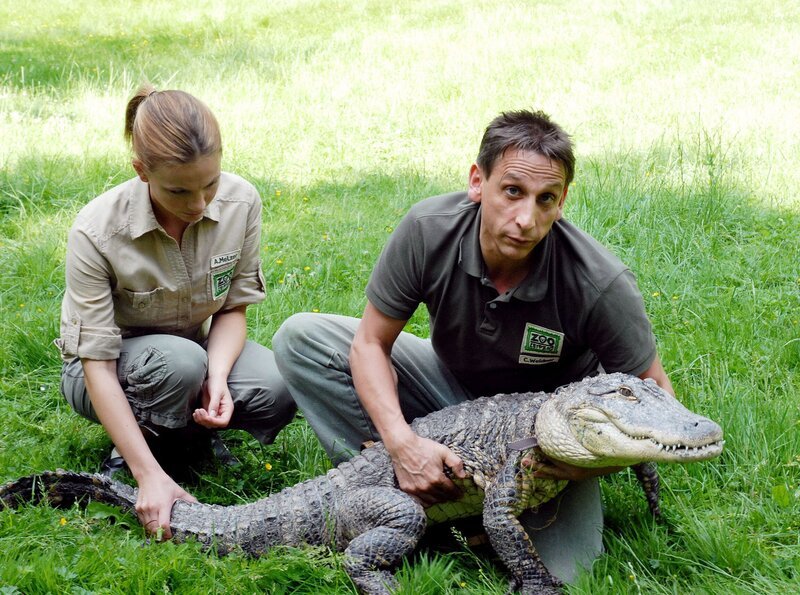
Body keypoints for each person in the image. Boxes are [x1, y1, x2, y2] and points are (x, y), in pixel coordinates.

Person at [273, 109, 674, 582]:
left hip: (546, 440)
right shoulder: (428, 228)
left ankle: (457, 514)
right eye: (512, 191)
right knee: (303, 338)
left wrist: (579, 467)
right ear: (477, 181)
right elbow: (369, 345)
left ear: (562, 201)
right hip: (449, 391)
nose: (526, 218)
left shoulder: (599, 282)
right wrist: (401, 444)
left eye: (546, 199)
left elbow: (656, 398)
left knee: (564, 574)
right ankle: (391, 495)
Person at [56, 85, 296, 538]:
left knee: (275, 383)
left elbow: (232, 309)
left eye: (211, 183)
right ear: (141, 171)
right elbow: (97, 364)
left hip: (193, 353)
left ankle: (189, 433)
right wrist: (146, 475)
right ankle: (137, 454)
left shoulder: (242, 201)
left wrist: (219, 378)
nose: (200, 204)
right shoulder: (96, 230)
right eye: (179, 190)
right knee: (181, 364)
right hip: (104, 371)